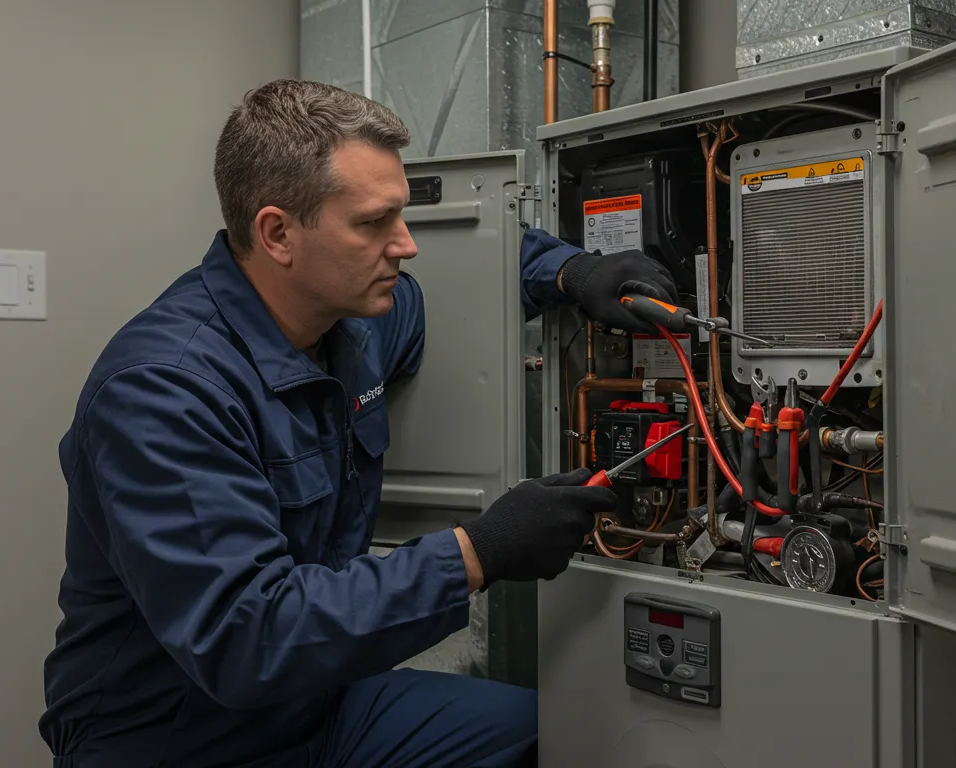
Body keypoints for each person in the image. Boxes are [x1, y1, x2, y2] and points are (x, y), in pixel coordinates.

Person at [38, 79, 679, 768]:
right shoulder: (164, 391)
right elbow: (246, 638)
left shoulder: (354, 323)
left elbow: (473, 267)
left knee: (557, 737)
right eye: (374, 223)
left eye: (400, 216)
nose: (405, 245)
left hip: (317, 702)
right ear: (278, 233)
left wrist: (571, 271)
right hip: (174, 737)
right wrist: (480, 551)